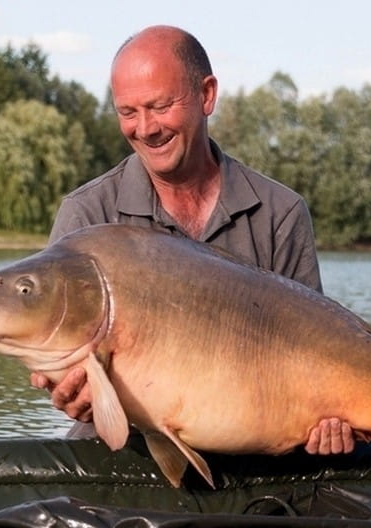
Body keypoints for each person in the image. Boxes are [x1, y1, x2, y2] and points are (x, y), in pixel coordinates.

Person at [30, 25, 354, 455]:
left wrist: (329, 418)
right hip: (119, 457)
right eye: (128, 112)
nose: (145, 128)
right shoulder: (87, 214)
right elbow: (60, 362)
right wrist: (69, 394)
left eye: (160, 106)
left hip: (254, 456)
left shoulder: (281, 212)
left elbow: (316, 348)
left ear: (207, 95)